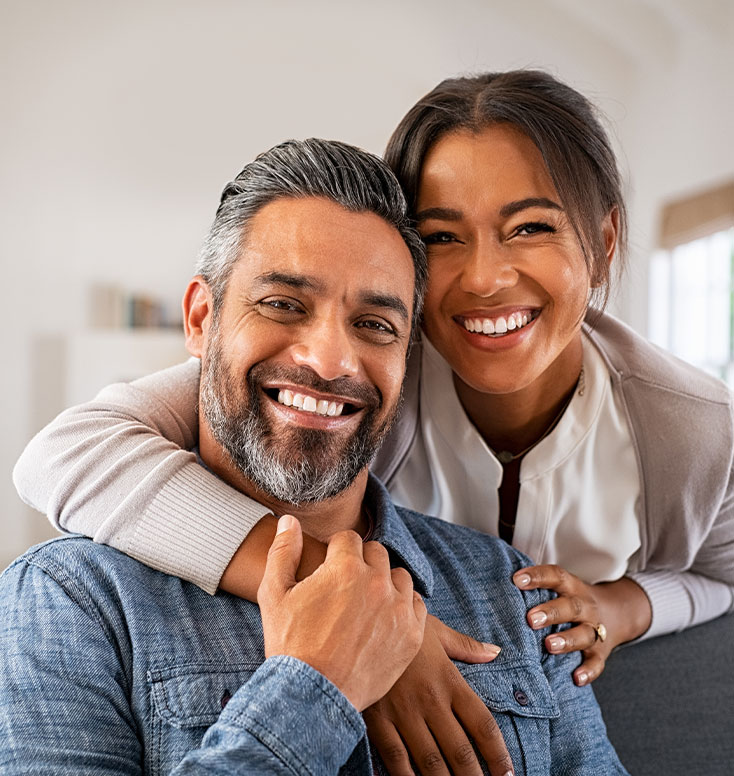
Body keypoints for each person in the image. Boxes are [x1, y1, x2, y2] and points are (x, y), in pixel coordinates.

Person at [12, 69, 734, 762]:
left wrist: (625, 604)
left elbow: (724, 575)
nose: (484, 278)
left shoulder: (687, 428)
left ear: (603, 245)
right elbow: (67, 453)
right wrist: (358, 608)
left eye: (530, 227)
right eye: (444, 236)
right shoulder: (368, 369)